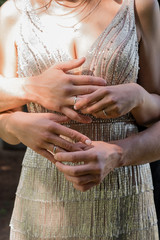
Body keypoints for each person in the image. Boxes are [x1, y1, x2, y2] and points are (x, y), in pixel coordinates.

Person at [0, 0, 160, 239]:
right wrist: (19, 115)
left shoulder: (139, 5)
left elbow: (154, 111)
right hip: (43, 201)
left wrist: (138, 97)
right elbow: (5, 120)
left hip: (125, 194)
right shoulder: (13, 12)